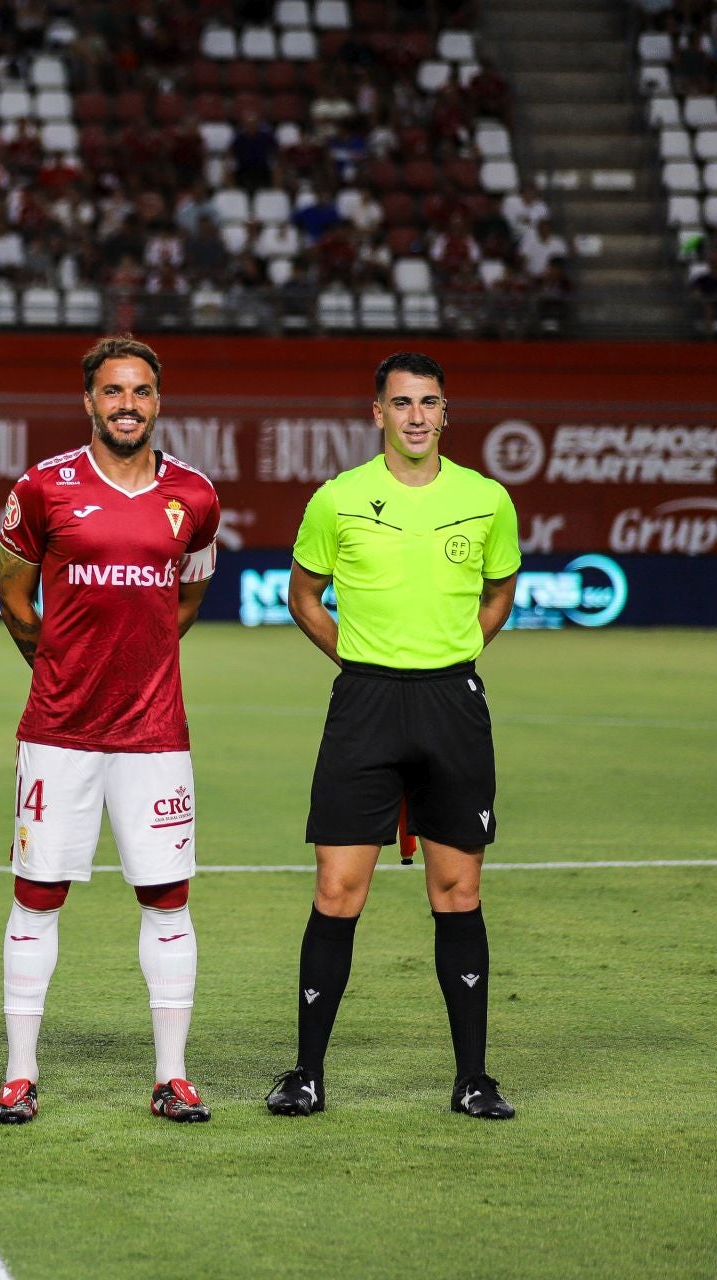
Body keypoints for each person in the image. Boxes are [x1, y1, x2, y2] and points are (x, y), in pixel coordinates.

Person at [266, 351, 521, 1121]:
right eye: (402, 403)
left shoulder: (486, 500)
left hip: (452, 703)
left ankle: (472, 1079)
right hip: (366, 703)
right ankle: (307, 1073)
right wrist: (355, 656)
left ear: (447, 413)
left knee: (459, 892)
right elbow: (303, 594)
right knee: (337, 892)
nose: (416, 416)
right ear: (376, 413)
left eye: (429, 403)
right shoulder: (339, 500)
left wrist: (463, 649)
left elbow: (501, 586)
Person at [0, 335, 222, 1126]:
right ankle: (20, 1076)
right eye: (113, 391)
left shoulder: (194, 497)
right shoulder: (43, 488)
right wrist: (59, 667)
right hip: (58, 731)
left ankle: (172, 1077)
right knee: (38, 896)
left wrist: (139, 664)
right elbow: (12, 598)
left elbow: (185, 599)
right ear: (88, 401)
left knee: (166, 899)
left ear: (159, 401)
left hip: (156, 735)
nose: (128, 404)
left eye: (142, 391)